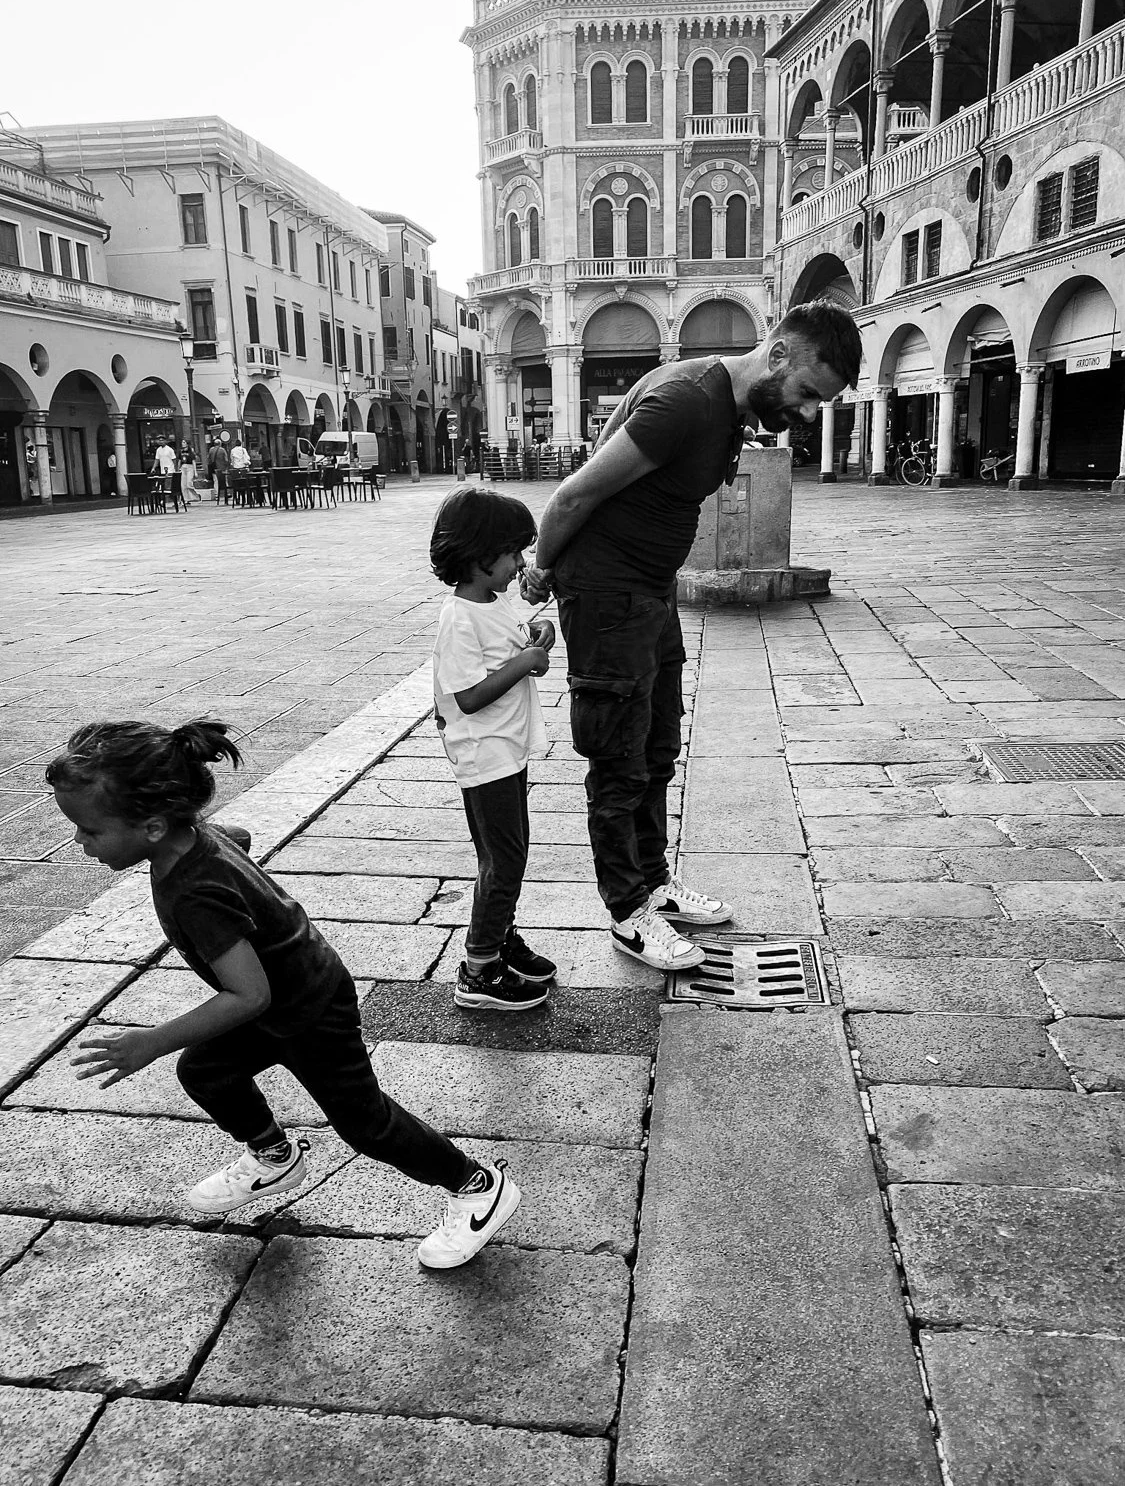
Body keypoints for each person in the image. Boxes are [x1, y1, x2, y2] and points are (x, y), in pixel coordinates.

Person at [46, 720, 519, 1268]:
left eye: (87, 830)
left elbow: (247, 997)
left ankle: (478, 1186)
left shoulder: (192, 893)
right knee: (206, 1071)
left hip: (308, 1009)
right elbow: (238, 838)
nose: (78, 842)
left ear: (153, 827)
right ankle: (275, 1155)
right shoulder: (194, 838)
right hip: (287, 997)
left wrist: (151, 1041)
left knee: (366, 1124)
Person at [522, 301, 863, 973]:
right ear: (777, 356)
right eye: (803, 395)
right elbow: (573, 495)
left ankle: (653, 884)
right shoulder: (685, 400)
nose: (803, 414)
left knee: (655, 743)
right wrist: (543, 570)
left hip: (650, 590)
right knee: (618, 756)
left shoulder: (723, 406)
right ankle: (627, 912)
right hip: (608, 591)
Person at [431, 487, 556, 1011]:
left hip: (507, 749)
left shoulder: (492, 602)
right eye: (513, 554)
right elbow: (469, 696)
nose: (520, 565)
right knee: (503, 860)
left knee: (509, 852)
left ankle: (499, 937)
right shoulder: (459, 618)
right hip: (485, 753)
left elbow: (512, 638)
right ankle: (480, 967)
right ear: (481, 557)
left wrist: (534, 635)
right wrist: (525, 663)